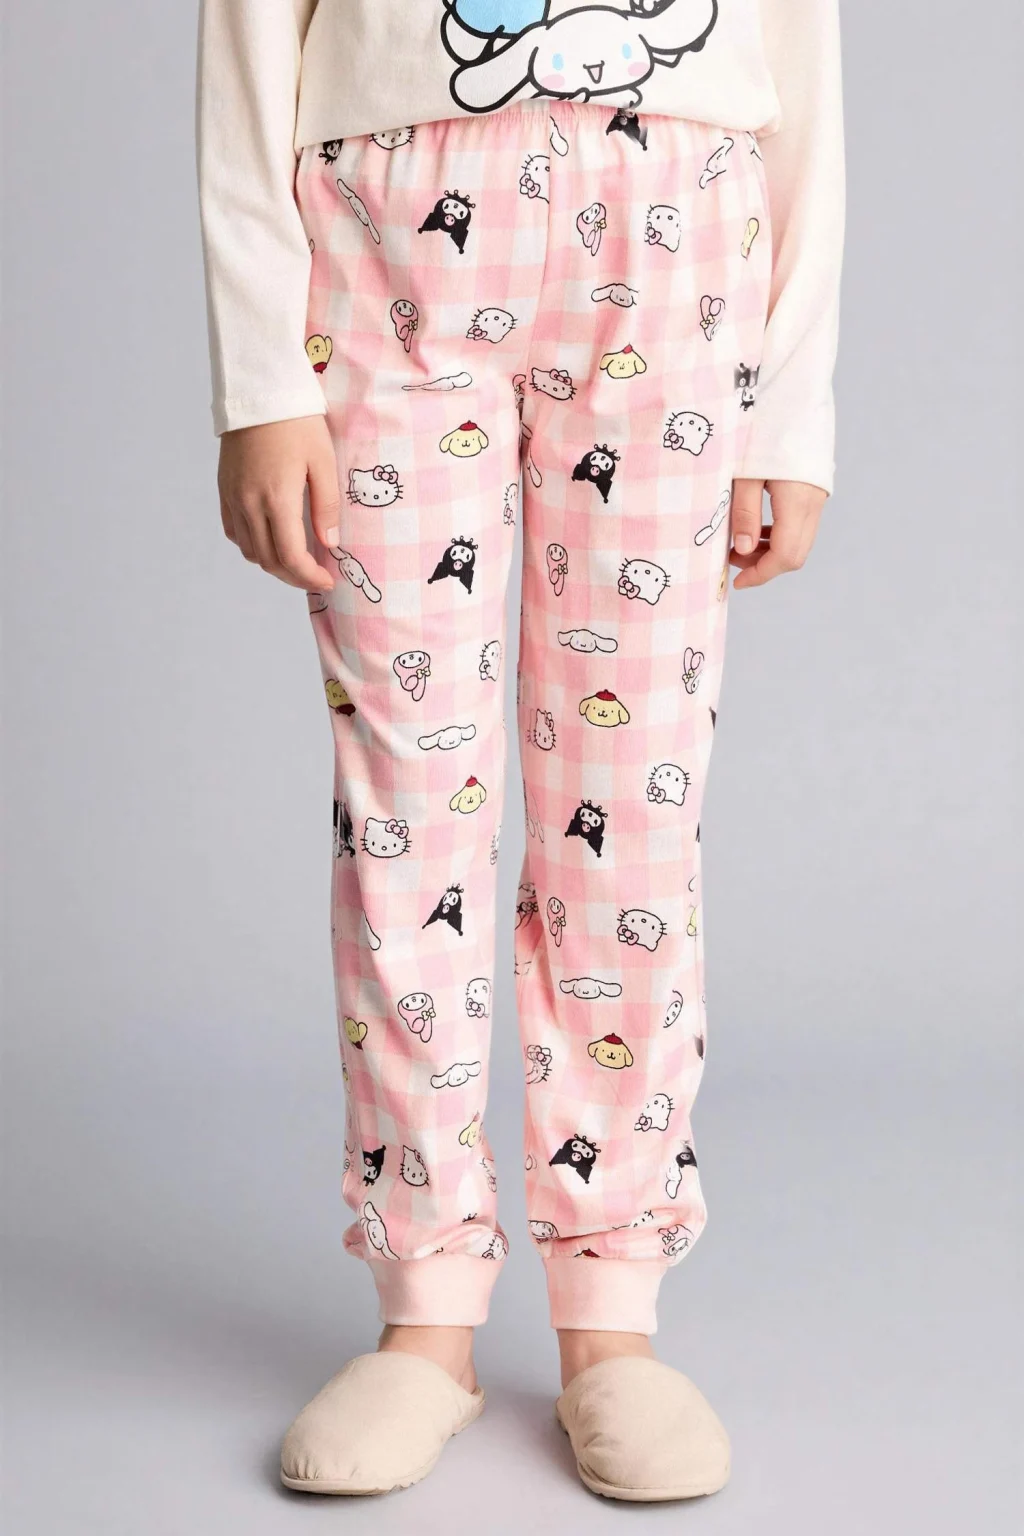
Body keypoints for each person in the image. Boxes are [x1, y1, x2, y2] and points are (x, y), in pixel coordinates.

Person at [197, 0, 844, 1503]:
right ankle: (425, 1310)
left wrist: (791, 409)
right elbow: (244, 44)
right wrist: (261, 384)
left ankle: (612, 1309)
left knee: (631, 807)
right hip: (386, 246)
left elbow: (802, 60)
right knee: (406, 807)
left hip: (677, 240)